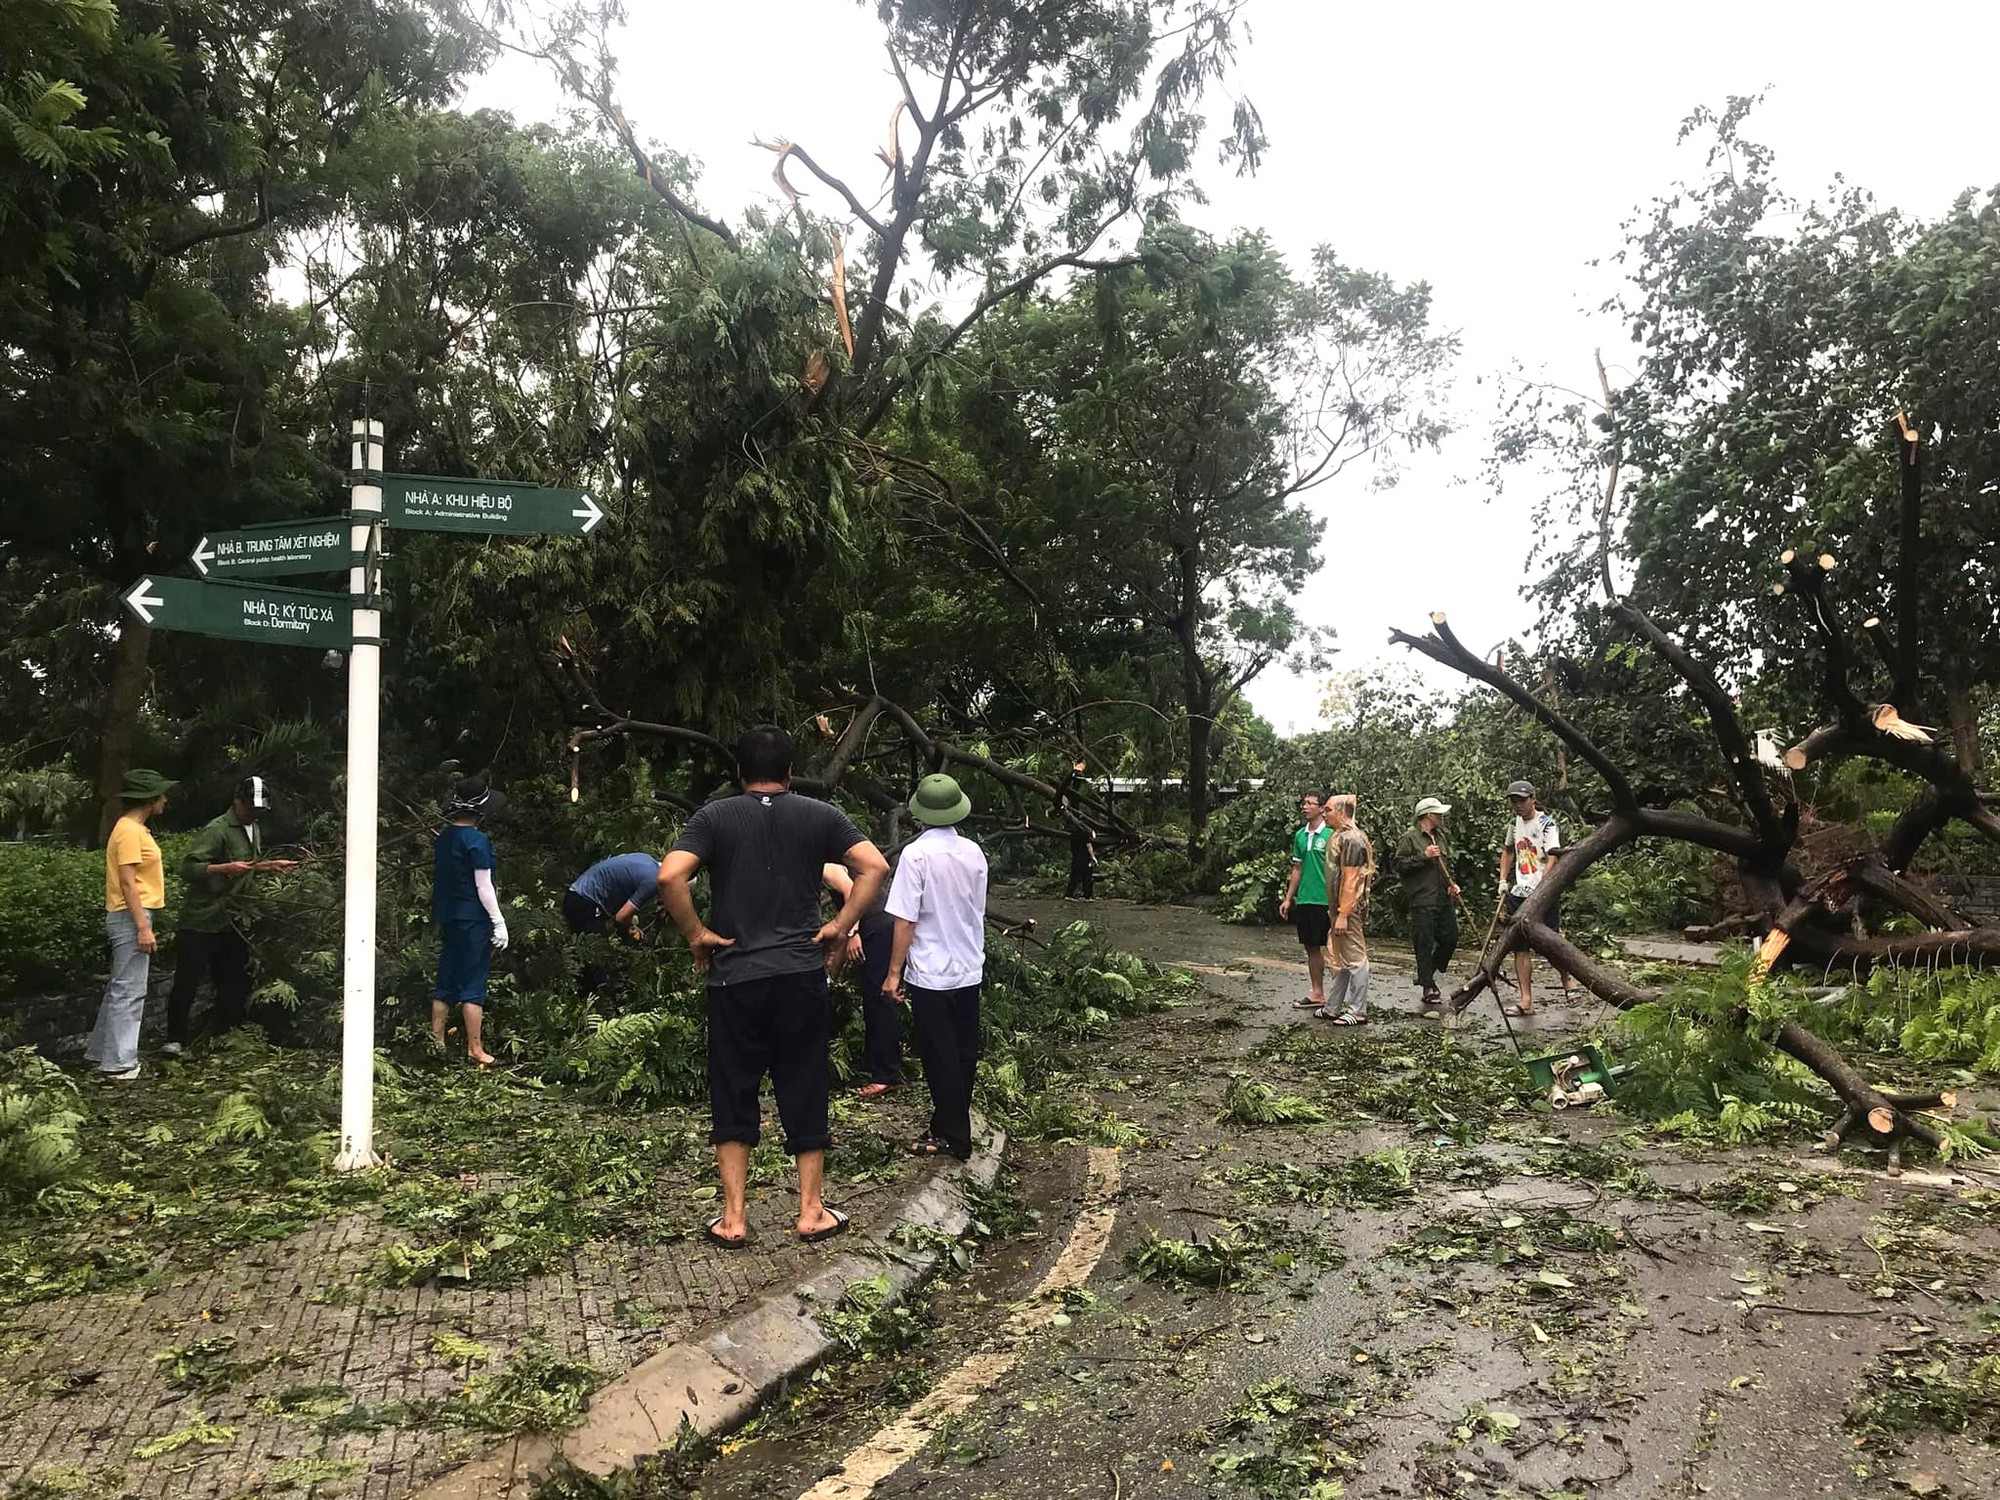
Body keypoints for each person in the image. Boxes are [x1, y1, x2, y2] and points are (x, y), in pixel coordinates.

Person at [658, 725, 889, 1249]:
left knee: (733, 1087)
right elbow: (874, 867)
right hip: (799, 974)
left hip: (735, 978)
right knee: (804, 1081)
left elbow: (670, 877)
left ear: (739, 774)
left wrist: (697, 935)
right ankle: (811, 1211)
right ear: (790, 773)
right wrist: (840, 925)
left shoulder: (713, 816)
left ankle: (734, 1218)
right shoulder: (819, 815)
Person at [884, 774, 989, 1160]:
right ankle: (948, 1122)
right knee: (962, 1052)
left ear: (919, 814)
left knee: (938, 1053)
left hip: (931, 971)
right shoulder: (974, 852)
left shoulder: (916, 856)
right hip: (967, 964)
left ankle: (954, 1138)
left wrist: (894, 972)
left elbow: (905, 920)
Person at [166, 777, 297, 1056]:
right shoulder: (217, 829)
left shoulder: (254, 827)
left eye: (259, 809)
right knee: (188, 980)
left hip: (234, 918)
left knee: (233, 979)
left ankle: (227, 1035)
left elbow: (248, 865)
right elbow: (189, 867)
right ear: (236, 801)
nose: (254, 813)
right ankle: (174, 1038)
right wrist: (223, 867)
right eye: (249, 807)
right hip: (203, 918)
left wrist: (269, 866)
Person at [85, 769, 176, 1080]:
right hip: (130, 915)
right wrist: (143, 927)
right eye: (161, 795)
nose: (165, 800)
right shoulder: (129, 831)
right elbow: (127, 882)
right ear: (150, 799)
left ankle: (101, 1052)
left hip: (130, 915)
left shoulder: (133, 829)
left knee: (120, 987)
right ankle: (120, 1063)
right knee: (130, 990)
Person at [431, 776, 508, 1065]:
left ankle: (436, 1043)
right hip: (473, 918)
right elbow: (483, 886)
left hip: (448, 915)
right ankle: (475, 1049)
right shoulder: (477, 840)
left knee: (446, 977)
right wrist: (498, 920)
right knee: (473, 981)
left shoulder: (444, 838)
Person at [825, 857, 904, 1099]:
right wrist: (832, 977)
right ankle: (875, 1065)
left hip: (879, 927)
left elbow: (853, 895)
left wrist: (853, 933)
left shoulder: (828, 866)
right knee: (872, 996)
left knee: (880, 998)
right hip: (877, 926)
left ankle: (887, 1076)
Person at [1497, 780, 1577, 1016]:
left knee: (1549, 943)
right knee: (1519, 946)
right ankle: (1526, 1000)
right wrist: (1503, 880)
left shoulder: (1546, 824)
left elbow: (1553, 856)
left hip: (1544, 892)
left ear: (1533, 799)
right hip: (1519, 892)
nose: (1518, 805)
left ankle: (1567, 979)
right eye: (1514, 801)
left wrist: (1544, 884)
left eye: (1522, 800)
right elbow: (1508, 851)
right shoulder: (1514, 824)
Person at [1393, 796, 1460, 1013]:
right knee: (1424, 942)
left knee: (1450, 938)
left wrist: (1452, 884)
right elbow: (1399, 865)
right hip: (1422, 898)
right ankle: (1427, 986)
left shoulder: (1440, 836)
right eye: (1438, 813)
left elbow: (1446, 863)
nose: (1441, 817)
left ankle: (1427, 972)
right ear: (1429, 815)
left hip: (1443, 897)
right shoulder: (1410, 838)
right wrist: (1424, 856)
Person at [563, 852, 660, 995]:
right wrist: (630, 928)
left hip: (577, 895)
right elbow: (621, 918)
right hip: (585, 902)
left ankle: (582, 1002)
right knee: (599, 964)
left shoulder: (647, 860)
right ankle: (598, 1008)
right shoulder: (653, 881)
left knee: (588, 959)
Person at [1316, 793, 1375, 1025]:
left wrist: (1343, 913)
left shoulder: (1352, 839)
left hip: (1348, 910)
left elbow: (1351, 879)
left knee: (1354, 957)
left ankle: (1358, 1009)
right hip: (1338, 908)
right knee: (1339, 956)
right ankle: (1333, 1005)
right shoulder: (1339, 836)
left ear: (1341, 812)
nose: (1324, 813)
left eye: (1328, 809)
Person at [1277, 790, 1334, 1010]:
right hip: (1306, 899)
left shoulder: (1331, 835)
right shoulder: (1300, 835)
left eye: (1310, 803)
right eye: (1304, 803)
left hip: (1326, 900)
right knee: (1311, 947)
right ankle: (1317, 992)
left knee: (1332, 948)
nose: (1305, 806)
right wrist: (1288, 898)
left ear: (1321, 808)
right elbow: (1297, 868)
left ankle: (1339, 995)